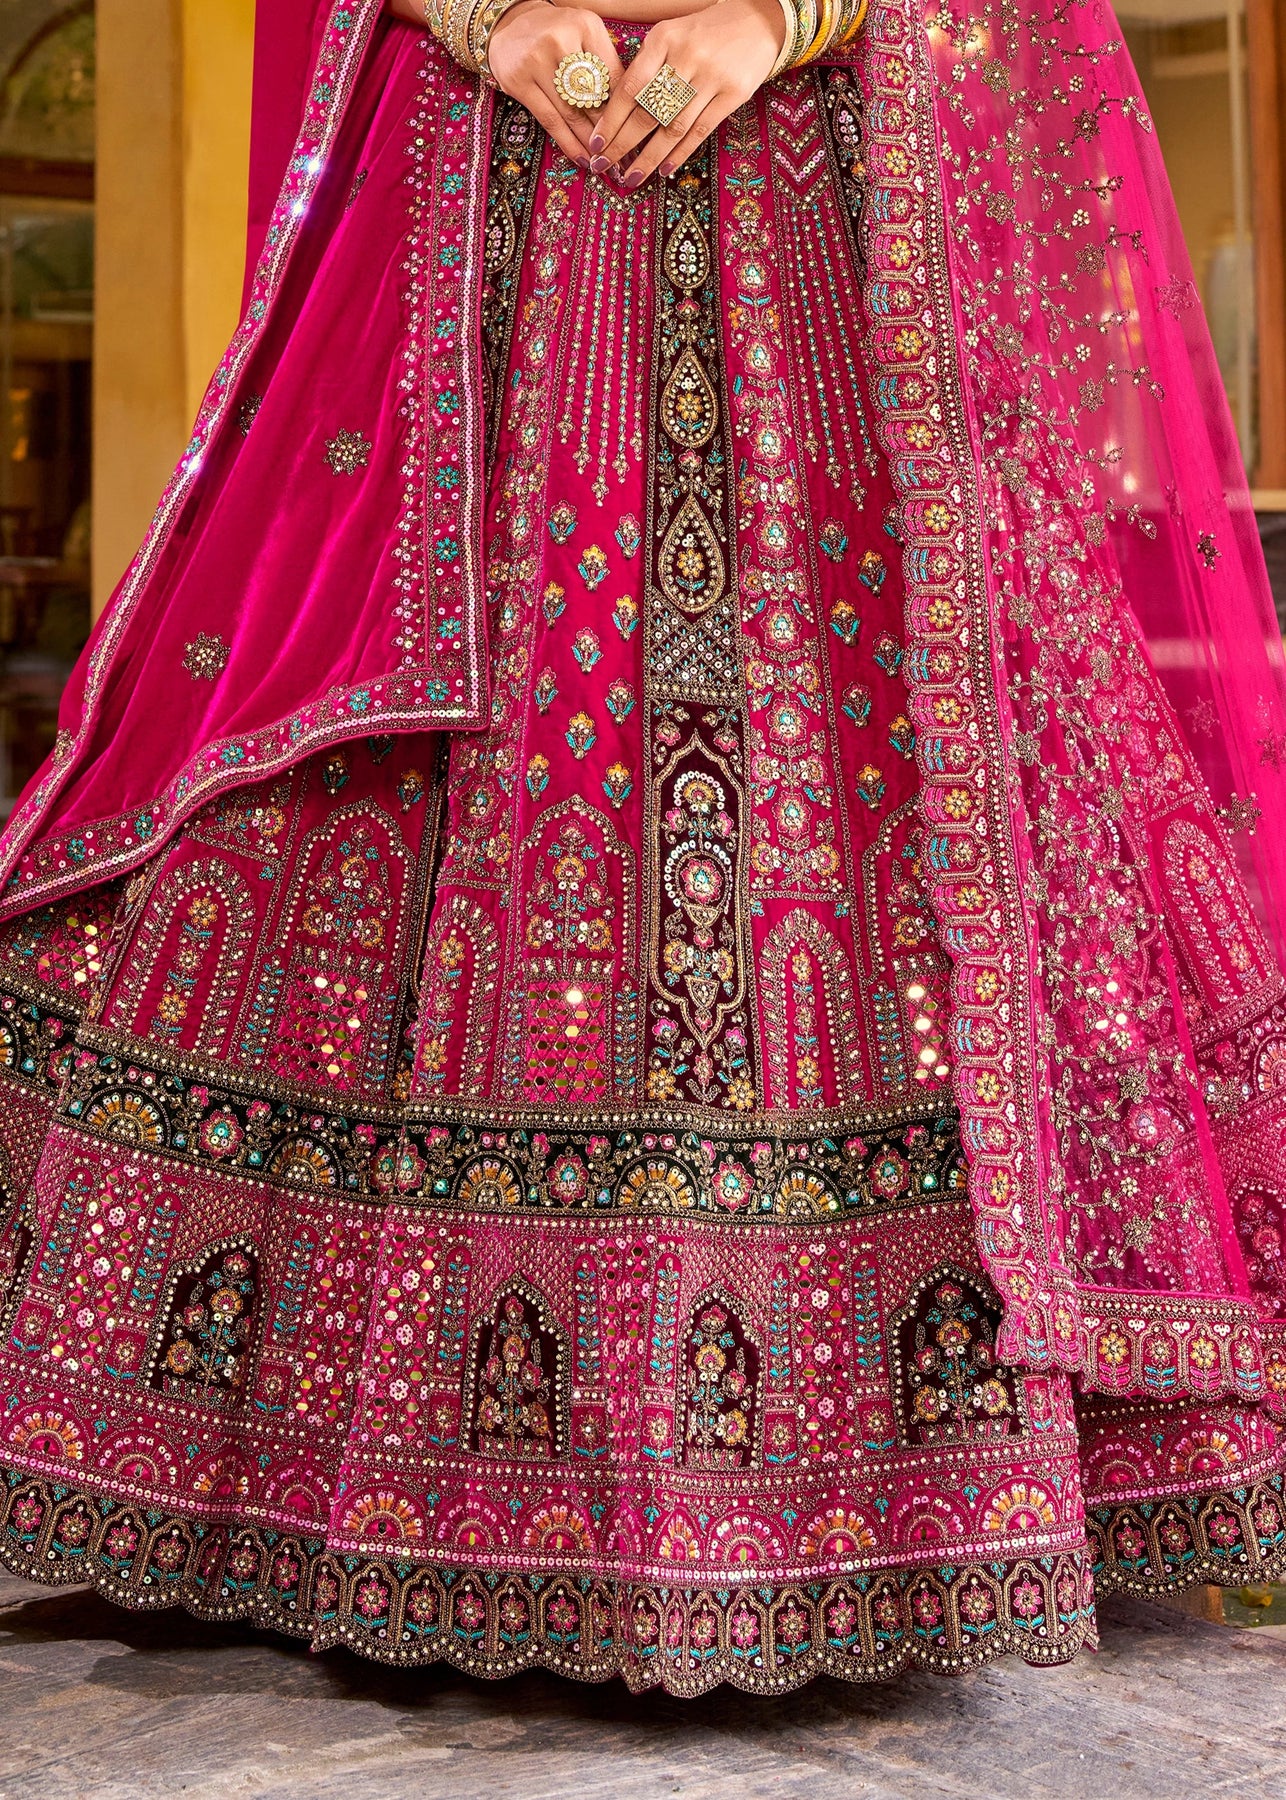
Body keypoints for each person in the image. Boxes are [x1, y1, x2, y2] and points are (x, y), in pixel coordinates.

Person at [0, 0, 1284, 1697]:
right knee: (354, 731)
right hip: (480, 191)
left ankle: (956, 1469)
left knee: (913, 754)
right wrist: (488, 20)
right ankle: (269, 1459)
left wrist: (785, 18)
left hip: (813, 194)